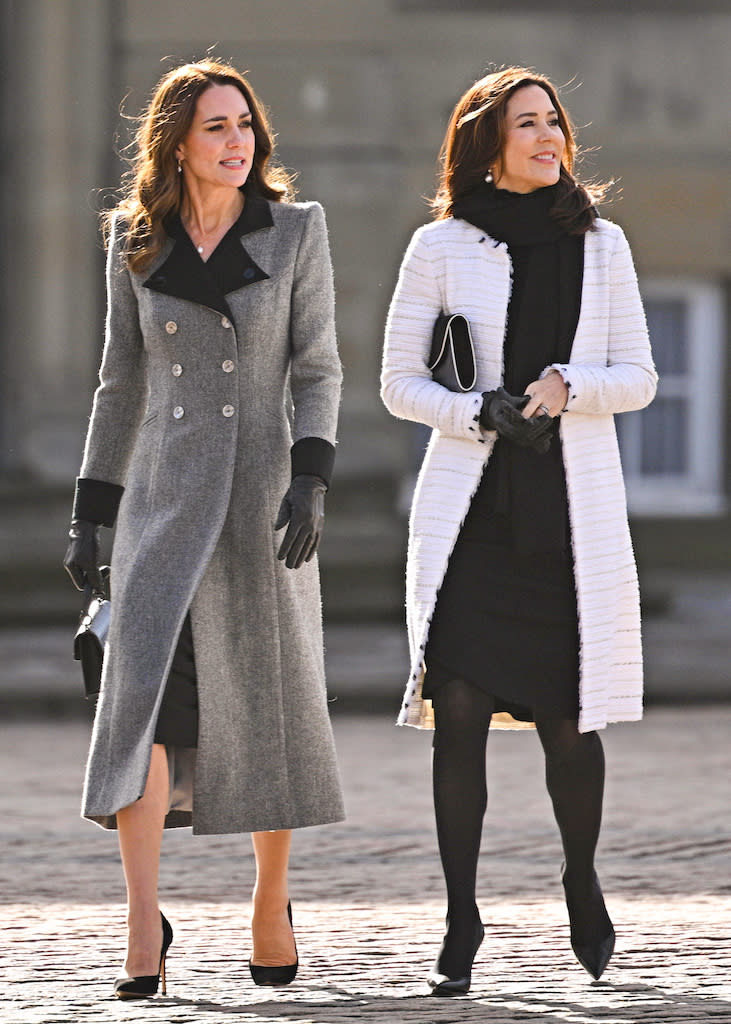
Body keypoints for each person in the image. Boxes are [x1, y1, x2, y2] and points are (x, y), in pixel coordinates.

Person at [63, 58, 345, 999]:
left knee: (268, 706)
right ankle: (144, 924)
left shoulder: (295, 230)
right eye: (218, 127)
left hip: (266, 504)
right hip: (163, 502)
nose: (238, 143)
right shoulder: (131, 237)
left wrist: (310, 482)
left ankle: (271, 901)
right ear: (178, 141)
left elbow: (316, 368)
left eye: (246, 127)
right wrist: (90, 509)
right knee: (138, 702)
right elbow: (119, 381)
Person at [381, 67, 657, 996]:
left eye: (553, 122)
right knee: (453, 715)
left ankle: (580, 881)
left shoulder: (603, 243)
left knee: (570, 729)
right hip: (472, 523)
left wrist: (566, 387)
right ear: (486, 144)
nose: (546, 136)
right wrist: (475, 409)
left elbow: (640, 376)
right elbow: (395, 384)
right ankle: (460, 918)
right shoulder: (440, 246)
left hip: (564, 526)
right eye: (525, 123)